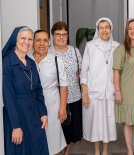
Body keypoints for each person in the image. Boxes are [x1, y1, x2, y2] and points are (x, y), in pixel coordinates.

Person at [2, 26, 49, 155]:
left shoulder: (31, 63)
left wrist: (43, 113)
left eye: (30, 39)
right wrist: (15, 126)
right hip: (17, 115)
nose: (26, 42)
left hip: (34, 114)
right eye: (23, 38)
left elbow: (39, 90)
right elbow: (8, 97)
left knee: (38, 149)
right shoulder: (6, 63)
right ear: (15, 40)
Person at [81, 17, 119, 155]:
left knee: (108, 123)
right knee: (95, 125)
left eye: (107, 27)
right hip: (94, 92)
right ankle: (97, 151)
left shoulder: (117, 46)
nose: (104, 30)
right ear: (97, 30)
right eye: (101, 27)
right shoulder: (90, 46)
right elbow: (84, 71)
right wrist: (85, 94)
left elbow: (119, 70)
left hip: (110, 91)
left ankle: (105, 151)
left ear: (111, 29)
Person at [30, 30, 68, 155]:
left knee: (52, 140)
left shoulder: (56, 61)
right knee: (33, 137)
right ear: (33, 42)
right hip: (30, 104)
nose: (42, 43)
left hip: (52, 104)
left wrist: (62, 108)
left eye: (45, 40)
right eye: (38, 40)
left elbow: (63, 86)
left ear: (49, 43)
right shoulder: (26, 59)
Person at [49, 21, 82, 155]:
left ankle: (66, 152)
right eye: (58, 34)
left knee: (71, 131)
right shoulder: (48, 52)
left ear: (67, 36)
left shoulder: (74, 51)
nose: (61, 37)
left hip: (74, 97)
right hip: (55, 99)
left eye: (64, 34)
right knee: (56, 129)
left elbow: (80, 73)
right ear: (53, 35)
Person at [113, 18, 134, 155]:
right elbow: (116, 71)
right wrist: (118, 91)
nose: (133, 31)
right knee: (129, 123)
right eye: (130, 28)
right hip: (127, 91)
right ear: (126, 31)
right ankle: (130, 151)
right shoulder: (121, 48)